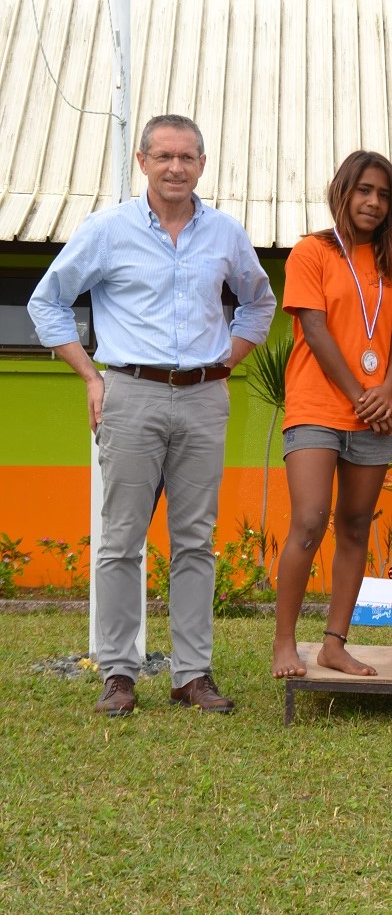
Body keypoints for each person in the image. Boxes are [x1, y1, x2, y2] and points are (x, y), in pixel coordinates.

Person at [28, 114, 276, 716]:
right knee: (121, 540)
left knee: (195, 541)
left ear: (202, 165)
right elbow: (47, 301)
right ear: (142, 161)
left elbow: (259, 301)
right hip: (130, 392)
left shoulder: (225, 234)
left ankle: (192, 675)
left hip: (203, 398)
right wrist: (91, 376)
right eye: (163, 156)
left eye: (187, 157)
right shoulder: (107, 229)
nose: (175, 168)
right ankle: (118, 672)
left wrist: (226, 360)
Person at [271, 150, 392, 679]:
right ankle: (285, 644)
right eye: (364, 191)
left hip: (374, 415)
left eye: (383, 195)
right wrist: (362, 395)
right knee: (309, 521)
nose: (373, 202)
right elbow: (315, 329)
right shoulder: (311, 252)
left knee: (355, 527)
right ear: (343, 192)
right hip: (317, 407)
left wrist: (388, 390)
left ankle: (334, 644)